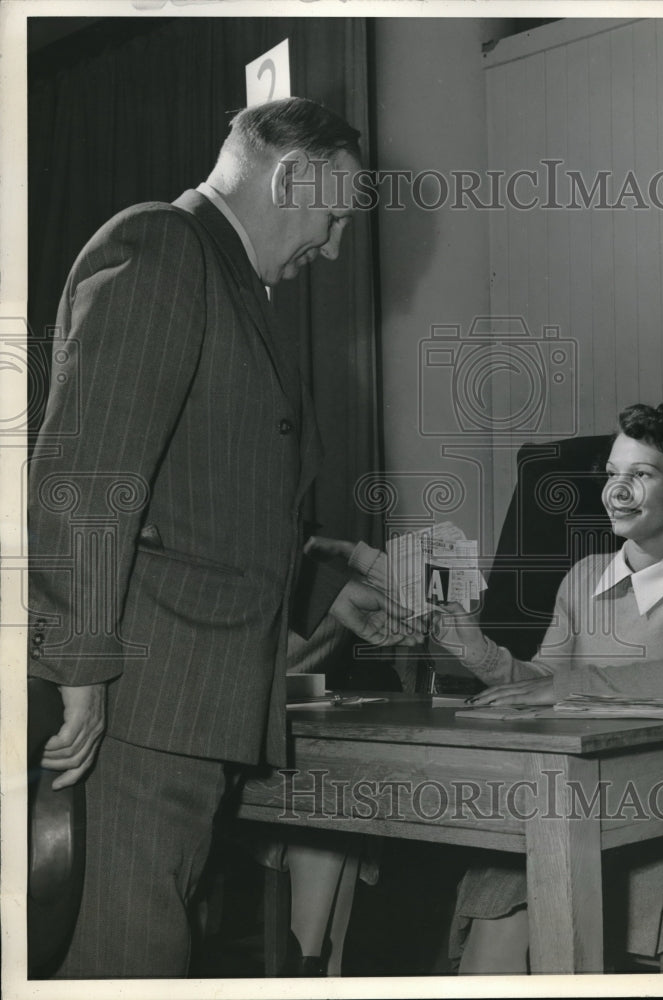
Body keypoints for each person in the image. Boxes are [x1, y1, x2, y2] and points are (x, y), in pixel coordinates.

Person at [27, 97, 418, 978]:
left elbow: (214, 510)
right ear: (291, 178)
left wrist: (327, 594)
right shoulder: (164, 246)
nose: (335, 248)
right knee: (127, 963)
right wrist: (77, 674)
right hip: (138, 705)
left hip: (187, 705)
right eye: (334, 218)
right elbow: (87, 474)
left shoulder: (233, 284)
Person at [432, 403, 663, 973]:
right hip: (572, 796)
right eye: (612, 474)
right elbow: (542, 680)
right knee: (505, 888)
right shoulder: (584, 575)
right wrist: (474, 648)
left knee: (532, 872)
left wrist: (564, 688)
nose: (618, 490)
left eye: (641, 474)